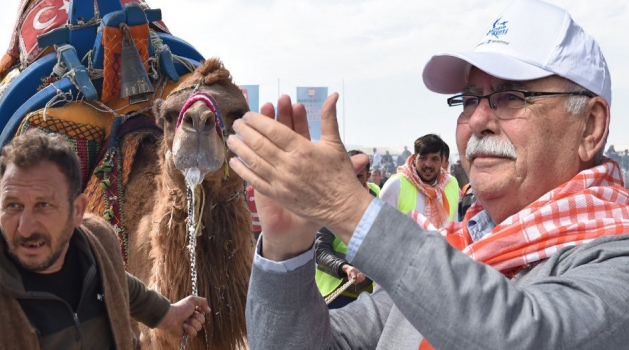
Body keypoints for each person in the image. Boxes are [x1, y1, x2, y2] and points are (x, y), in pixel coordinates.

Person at [227, 0, 629, 349]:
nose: (479, 120)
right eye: (470, 99)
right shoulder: (463, 249)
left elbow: (520, 336)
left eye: (511, 96)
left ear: (590, 126)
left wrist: (348, 209)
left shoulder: (614, 261)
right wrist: (286, 249)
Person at [0, 130, 210, 349]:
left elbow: (117, 281)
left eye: (43, 206)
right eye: (13, 206)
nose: (25, 228)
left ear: (77, 210)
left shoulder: (98, 240)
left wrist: (168, 315)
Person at [315, 150, 376, 309]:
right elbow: (320, 250)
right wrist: (346, 268)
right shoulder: (327, 203)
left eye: (359, 176)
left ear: (368, 177)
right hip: (333, 294)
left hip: (368, 296)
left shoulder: (378, 198)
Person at [380, 134, 460, 228]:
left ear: (442, 160)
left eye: (434, 159)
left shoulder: (451, 183)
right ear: (414, 158)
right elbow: (381, 231)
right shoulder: (396, 185)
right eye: (423, 158)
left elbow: (454, 228)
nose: (428, 164)